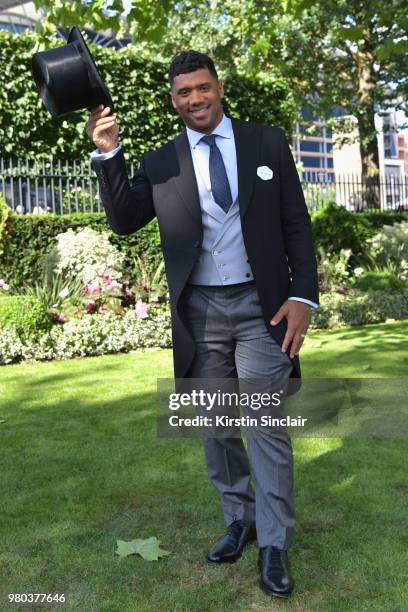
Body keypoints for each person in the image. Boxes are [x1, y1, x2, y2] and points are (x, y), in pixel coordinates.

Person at [86, 50, 319, 599]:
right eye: (184, 92)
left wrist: (303, 296)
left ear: (218, 88)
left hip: (264, 308)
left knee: (266, 426)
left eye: (203, 87)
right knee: (216, 427)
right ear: (174, 100)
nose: (196, 98)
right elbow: (123, 220)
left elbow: (296, 224)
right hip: (200, 312)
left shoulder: (266, 143)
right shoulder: (162, 160)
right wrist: (109, 152)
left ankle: (275, 544)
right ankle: (239, 520)